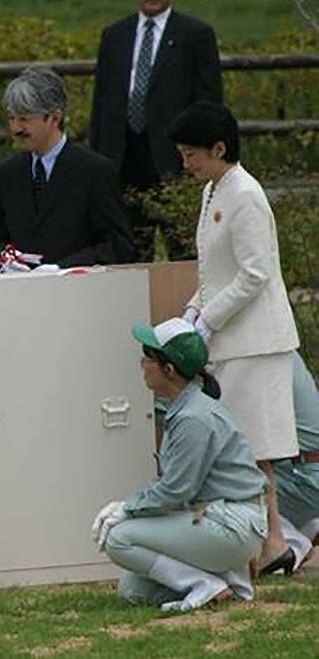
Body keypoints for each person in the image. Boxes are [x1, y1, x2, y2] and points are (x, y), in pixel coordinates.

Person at [168, 100, 300, 575]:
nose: (186, 163)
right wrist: (192, 313)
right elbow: (214, 272)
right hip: (229, 340)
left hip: (257, 342)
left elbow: (255, 273)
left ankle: (272, 542)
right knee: (242, 449)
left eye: (192, 154)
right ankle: (266, 543)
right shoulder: (213, 190)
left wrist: (210, 319)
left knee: (256, 449)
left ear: (219, 148)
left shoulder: (245, 193)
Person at [94, 318, 266, 611]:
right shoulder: (187, 406)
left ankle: (203, 584)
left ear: (169, 370)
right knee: (133, 589)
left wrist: (127, 508)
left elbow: (177, 490)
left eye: (148, 357)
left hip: (232, 525)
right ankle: (222, 582)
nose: (142, 364)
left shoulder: (193, 418)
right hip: (217, 517)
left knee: (119, 538)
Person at [90, 0, 222, 262]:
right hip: (123, 161)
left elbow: (209, 102)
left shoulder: (195, 35)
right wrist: (99, 160)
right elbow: (101, 103)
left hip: (175, 163)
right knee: (130, 252)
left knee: (183, 252)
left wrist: (199, 157)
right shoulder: (114, 35)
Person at [0, 67, 134, 270]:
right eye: (11, 118)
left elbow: (117, 245)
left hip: (77, 291)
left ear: (55, 117)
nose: (16, 129)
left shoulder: (94, 170)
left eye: (24, 119)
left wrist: (63, 268)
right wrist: (7, 261)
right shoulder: (7, 173)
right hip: (20, 290)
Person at [273, 351, 319, 573]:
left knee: (226, 487)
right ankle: (305, 527)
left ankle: (291, 544)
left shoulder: (264, 362)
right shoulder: (287, 355)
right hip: (305, 470)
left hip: (305, 477)